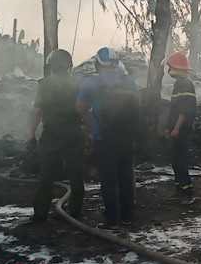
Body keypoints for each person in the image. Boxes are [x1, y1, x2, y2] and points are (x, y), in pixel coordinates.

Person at [76, 47, 140, 230]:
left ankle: (112, 220)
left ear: (98, 64)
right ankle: (127, 216)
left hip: (103, 138)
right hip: (127, 138)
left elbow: (79, 108)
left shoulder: (91, 83)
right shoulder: (129, 82)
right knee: (126, 175)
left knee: (108, 179)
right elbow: (138, 105)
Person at [26, 49, 86, 221]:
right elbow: (85, 111)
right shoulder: (78, 84)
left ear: (50, 65)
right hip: (74, 133)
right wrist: (89, 134)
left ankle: (40, 213)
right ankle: (75, 210)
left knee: (47, 174)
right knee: (75, 173)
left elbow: (38, 111)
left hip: (51, 134)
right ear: (69, 65)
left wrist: (31, 135)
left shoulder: (45, 85)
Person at [164, 52, 197, 206]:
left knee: (180, 161)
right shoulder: (179, 84)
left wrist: (176, 128)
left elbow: (185, 110)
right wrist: (168, 127)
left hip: (182, 130)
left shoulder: (185, 84)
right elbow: (174, 110)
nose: (168, 70)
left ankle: (187, 193)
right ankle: (179, 190)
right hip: (177, 130)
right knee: (176, 161)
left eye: (170, 67)